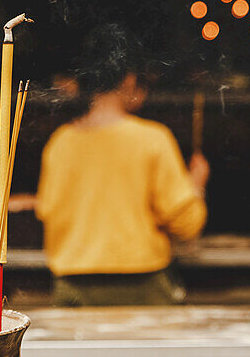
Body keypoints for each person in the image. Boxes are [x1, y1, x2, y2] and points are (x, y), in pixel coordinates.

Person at [35, 25, 210, 305]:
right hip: (143, 287)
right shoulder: (152, 139)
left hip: (74, 290)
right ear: (129, 80)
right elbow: (186, 225)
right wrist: (196, 185)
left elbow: (47, 211)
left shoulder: (61, 143)